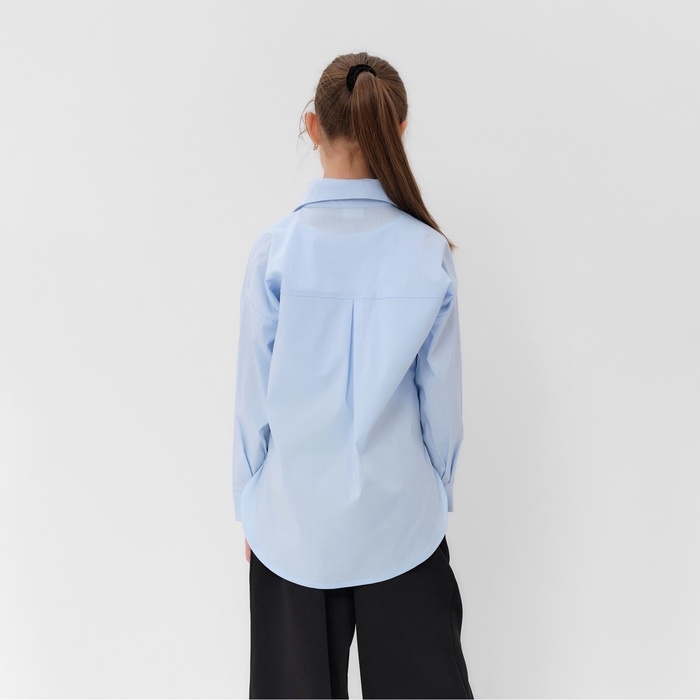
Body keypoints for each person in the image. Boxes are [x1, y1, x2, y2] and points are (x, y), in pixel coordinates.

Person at [232, 51, 474, 699]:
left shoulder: (275, 251)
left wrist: (248, 503)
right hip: (401, 521)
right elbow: (442, 406)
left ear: (313, 126)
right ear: (398, 130)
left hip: (292, 525)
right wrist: (436, 493)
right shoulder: (426, 251)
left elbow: (253, 400)